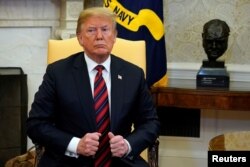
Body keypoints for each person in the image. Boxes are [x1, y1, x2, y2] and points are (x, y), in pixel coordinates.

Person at [26, 7, 160, 167]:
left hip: (120, 161)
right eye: (91, 30)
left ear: (115, 36)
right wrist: (76, 145)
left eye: (105, 29)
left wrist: (127, 145)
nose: (99, 36)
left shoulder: (134, 74)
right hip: (69, 161)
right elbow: (36, 124)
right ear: (80, 38)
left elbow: (150, 123)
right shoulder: (58, 73)